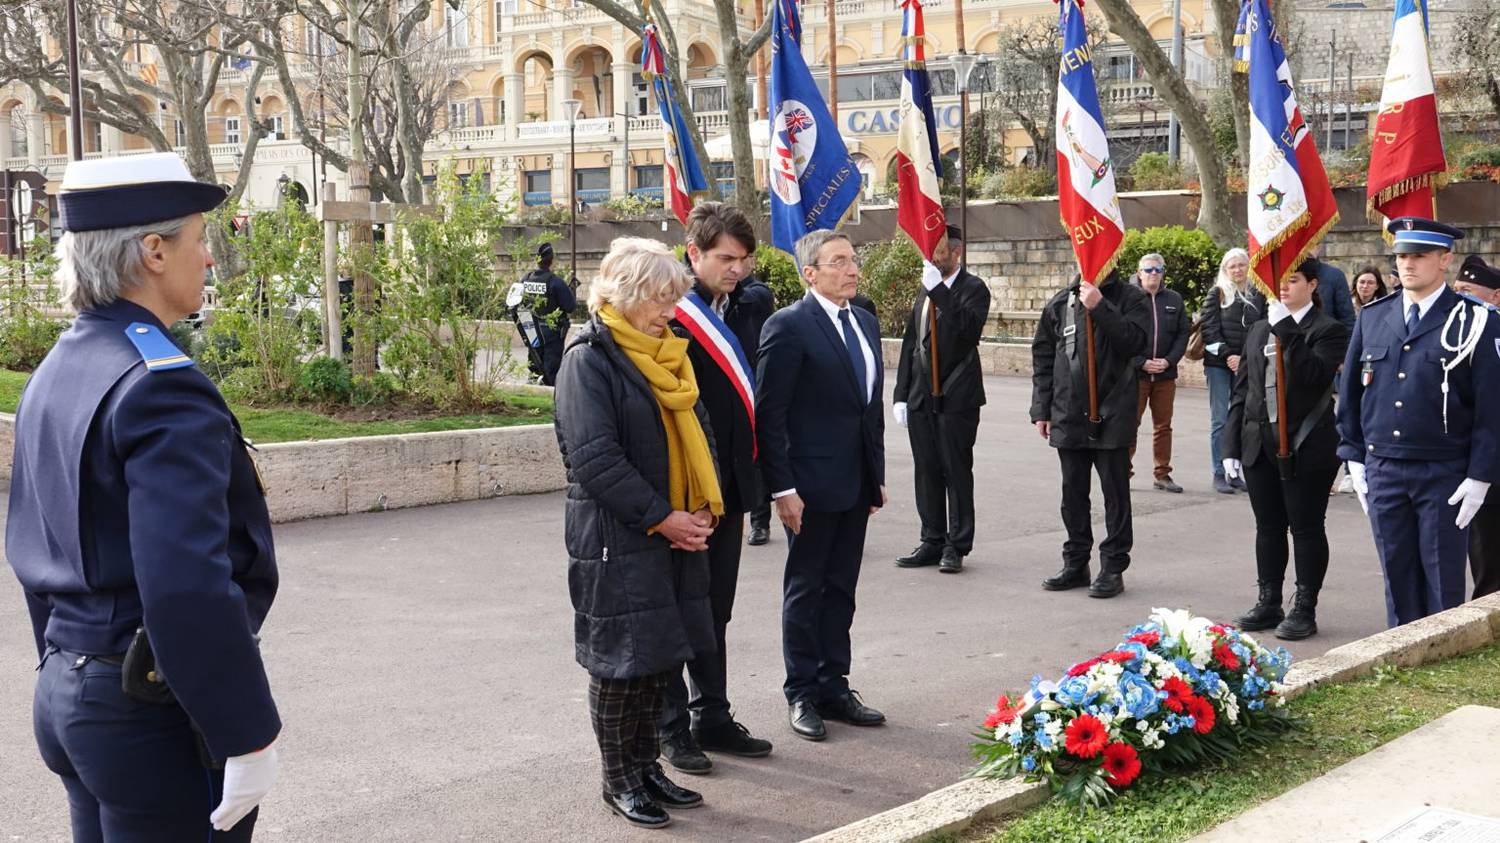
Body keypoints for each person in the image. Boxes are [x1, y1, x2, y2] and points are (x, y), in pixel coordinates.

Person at [5, 152, 280, 841]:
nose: (209, 258)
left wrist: (69, 667)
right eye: (198, 239)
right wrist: (245, 730)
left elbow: (29, 540)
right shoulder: (161, 382)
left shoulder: (57, 367)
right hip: (144, 711)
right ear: (153, 252)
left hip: (71, 689)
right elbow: (187, 583)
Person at [553, 237, 720, 829]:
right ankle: (618, 779)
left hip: (670, 534)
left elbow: (702, 432)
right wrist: (663, 517)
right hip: (616, 539)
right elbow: (595, 460)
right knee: (620, 666)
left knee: (657, 662)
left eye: (674, 298)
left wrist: (700, 509)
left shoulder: (667, 354)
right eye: (659, 299)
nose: (670, 312)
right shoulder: (589, 358)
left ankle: (648, 767)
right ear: (621, 295)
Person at [756, 229, 888, 741]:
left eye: (853, 260)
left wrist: (875, 477)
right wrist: (781, 489)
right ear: (810, 273)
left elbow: (867, 408)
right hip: (807, 488)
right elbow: (771, 415)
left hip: (855, 483)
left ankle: (835, 684)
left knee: (842, 588)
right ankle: (802, 691)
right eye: (838, 262)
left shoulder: (866, 323)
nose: (852, 269)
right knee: (806, 588)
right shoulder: (788, 326)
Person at [1337, 218, 1500, 627]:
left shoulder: (1477, 320)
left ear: (1444, 259)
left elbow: (1491, 407)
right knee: (1396, 573)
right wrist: (1353, 457)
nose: (1408, 264)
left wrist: (1481, 475)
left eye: (1420, 255)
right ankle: (1401, 659)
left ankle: (1441, 660)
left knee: (1442, 578)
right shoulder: (1375, 316)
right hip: (1384, 466)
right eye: (1402, 255)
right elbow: (1352, 393)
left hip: (1443, 470)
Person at [658, 203, 774, 774]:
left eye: (744, 259)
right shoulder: (671, 316)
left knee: (715, 611)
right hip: (683, 492)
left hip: (729, 487)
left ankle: (714, 715)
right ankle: (672, 728)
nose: (737, 269)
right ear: (693, 253)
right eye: (726, 258)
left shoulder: (747, 308)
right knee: (677, 612)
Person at [1224, 257, 1351, 639]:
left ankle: (1305, 607)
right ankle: (1269, 600)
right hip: (1258, 446)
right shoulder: (1260, 328)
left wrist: (1287, 331)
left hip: (1305, 446)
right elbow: (1243, 390)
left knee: (1306, 527)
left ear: (1313, 285)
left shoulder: (1329, 330)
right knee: (1268, 527)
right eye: (1279, 282)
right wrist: (1230, 443)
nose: (1283, 288)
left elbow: (1313, 376)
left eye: (1292, 280)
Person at [1031, 267, 1151, 598]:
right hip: (1068, 411)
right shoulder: (1061, 303)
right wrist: (1042, 409)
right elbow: (1043, 357)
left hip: (1113, 408)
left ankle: (1112, 567)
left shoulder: (1131, 298)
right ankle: (1075, 562)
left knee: (1115, 493)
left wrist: (1100, 306)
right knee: (1073, 494)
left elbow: (1135, 343)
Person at [892, 225, 992, 573]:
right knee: (927, 471)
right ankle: (931, 539)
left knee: (956, 470)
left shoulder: (973, 289)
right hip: (921, 396)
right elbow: (910, 343)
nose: (933, 257)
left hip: (957, 396)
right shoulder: (926, 288)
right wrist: (900, 394)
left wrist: (939, 292)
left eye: (940, 251)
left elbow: (968, 330)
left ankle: (957, 544)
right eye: (932, 250)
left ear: (957, 252)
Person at [1201, 248, 1266, 494]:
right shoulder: (1216, 294)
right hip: (1220, 365)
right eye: (1232, 266)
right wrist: (1229, 356)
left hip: (1248, 365)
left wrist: (1246, 359)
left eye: (1241, 265)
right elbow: (1209, 331)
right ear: (1225, 270)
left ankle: (1235, 471)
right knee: (1220, 419)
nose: (1238, 270)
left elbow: (1262, 328)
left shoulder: (1258, 294)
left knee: (1243, 417)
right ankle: (1219, 471)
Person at [1454, 255, 1500, 599]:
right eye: (1457, 289)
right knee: (1485, 549)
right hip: (1478, 458)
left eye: (1468, 290)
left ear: (1495, 296)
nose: (1460, 297)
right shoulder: (1454, 332)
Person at [1129, 253, 1190, 493]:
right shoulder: (1130, 298)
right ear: (1139, 272)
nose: (1153, 274)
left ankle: (1162, 474)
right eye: (1149, 269)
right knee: (1130, 424)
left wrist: (1168, 360)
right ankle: (1123, 472)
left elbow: (1182, 333)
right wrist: (1140, 362)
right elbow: (1120, 334)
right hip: (1137, 376)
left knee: (1163, 426)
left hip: (1165, 376)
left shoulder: (1174, 299)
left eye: (1158, 269)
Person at [520, 242, 578, 385]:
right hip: (552, 333)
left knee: (534, 366)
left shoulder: (525, 279)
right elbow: (570, 306)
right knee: (551, 370)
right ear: (551, 261)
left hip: (532, 330)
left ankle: (533, 388)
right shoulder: (556, 282)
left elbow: (518, 303)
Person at [1309, 249, 1356, 330]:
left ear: (1319, 246)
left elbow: (1347, 318)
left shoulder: (1334, 275)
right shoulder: (1283, 275)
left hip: (1327, 337)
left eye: (1311, 243)